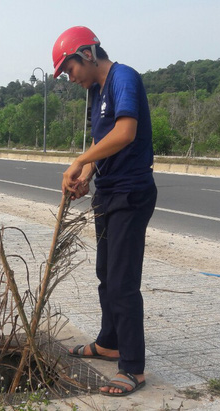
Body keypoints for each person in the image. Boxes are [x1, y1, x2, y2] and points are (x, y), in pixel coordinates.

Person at [53, 26, 157, 397]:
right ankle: (109, 343)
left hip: (131, 193)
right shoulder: (96, 91)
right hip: (108, 191)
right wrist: (87, 172)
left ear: (87, 53)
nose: (71, 78)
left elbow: (126, 132)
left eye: (69, 69)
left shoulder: (122, 78)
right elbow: (103, 140)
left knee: (122, 281)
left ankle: (132, 368)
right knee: (105, 274)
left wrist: (79, 159)